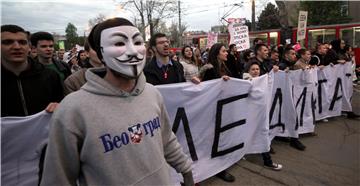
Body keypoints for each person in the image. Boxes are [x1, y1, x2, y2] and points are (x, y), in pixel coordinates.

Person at [40, 17, 194, 186]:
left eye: (137, 42)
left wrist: (186, 171)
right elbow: (58, 178)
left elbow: (166, 139)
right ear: (100, 53)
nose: (133, 51)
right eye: (119, 44)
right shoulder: (72, 110)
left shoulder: (152, 93)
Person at [1, 24, 64, 117]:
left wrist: (60, 106)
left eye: (22, 42)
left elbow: (63, 105)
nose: (17, 47)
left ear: (29, 47)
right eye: (8, 42)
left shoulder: (50, 76)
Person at [198, 43, 235, 182]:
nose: (227, 53)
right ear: (216, 53)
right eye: (224, 51)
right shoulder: (209, 69)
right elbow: (205, 90)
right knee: (214, 140)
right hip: (212, 111)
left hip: (223, 107)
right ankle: (218, 168)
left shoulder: (223, 67)